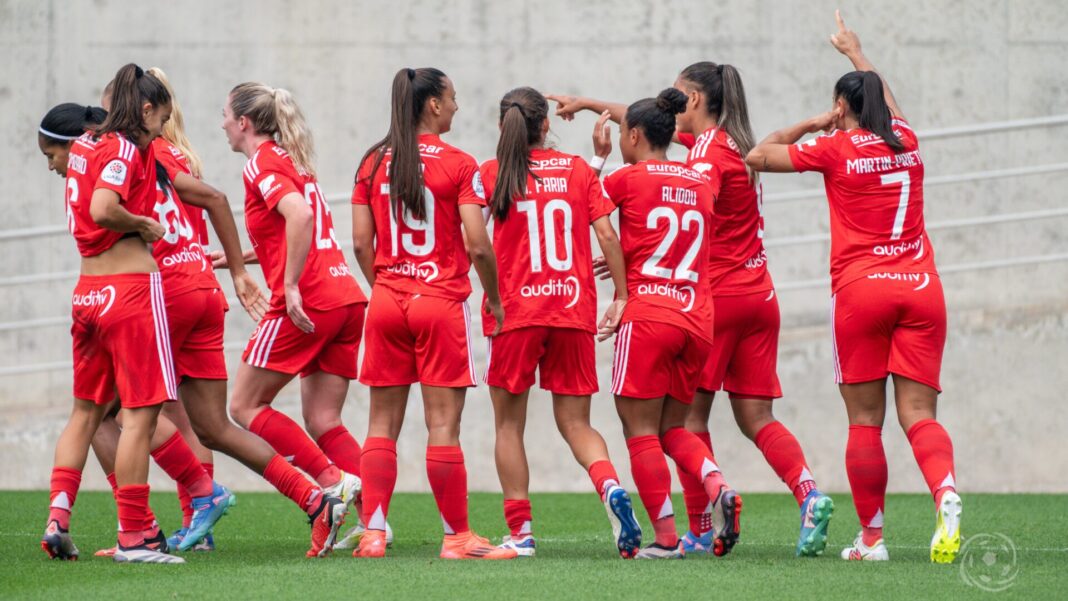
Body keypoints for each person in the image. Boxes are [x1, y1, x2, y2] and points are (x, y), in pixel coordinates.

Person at [745, 11, 961, 563]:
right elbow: (887, 102)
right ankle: (947, 493)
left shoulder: (835, 149)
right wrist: (857, 53)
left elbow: (758, 153)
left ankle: (872, 538)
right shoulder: (907, 140)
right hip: (921, 287)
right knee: (921, 415)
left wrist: (820, 121)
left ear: (843, 107)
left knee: (865, 420)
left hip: (864, 292)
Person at [351, 67, 515, 560]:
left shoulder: (372, 161)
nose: (458, 107)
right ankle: (457, 538)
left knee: (381, 423)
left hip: (387, 299)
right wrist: (493, 297)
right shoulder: (459, 164)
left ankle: (374, 533)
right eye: (453, 98)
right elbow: (479, 245)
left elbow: (361, 242)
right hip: (440, 302)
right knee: (443, 425)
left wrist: (384, 285)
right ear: (433, 105)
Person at [479, 87, 641, 558]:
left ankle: (521, 534)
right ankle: (610, 486)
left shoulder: (492, 173)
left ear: (502, 127)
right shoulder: (575, 170)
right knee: (576, 423)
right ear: (546, 125)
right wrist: (623, 295)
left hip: (514, 312)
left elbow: (474, 239)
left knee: (509, 426)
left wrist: (488, 294)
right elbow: (607, 233)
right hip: (571, 309)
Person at [41, 63, 183, 564]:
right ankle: (135, 537)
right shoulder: (122, 147)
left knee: (85, 413)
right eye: (162, 118)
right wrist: (144, 222)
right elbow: (104, 209)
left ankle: (58, 516)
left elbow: (84, 197)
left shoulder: (83, 148)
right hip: (128, 292)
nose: (163, 129)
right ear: (146, 110)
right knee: (140, 417)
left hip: (87, 294)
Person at [223, 82, 367, 557]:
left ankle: (331, 484)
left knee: (242, 406)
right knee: (324, 418)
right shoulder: (292, 160)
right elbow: (290, 225)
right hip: (346, 297)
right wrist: (240, 257)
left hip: (311, 302)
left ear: (244, 123)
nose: (222, 124)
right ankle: (376, 522)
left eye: (225, 115)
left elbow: (299, 217)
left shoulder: (261, 162)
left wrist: (286, 285)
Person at [597, 88, 739, 559]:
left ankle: (663, 538)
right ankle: (716, 484)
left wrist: (598, 160)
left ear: (634, 134)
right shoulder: (701, 182)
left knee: (638, 430)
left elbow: (590, 212)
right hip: (696, 320)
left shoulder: (626, 177)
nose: (619, 141)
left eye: (620, 134)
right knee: (674, 429)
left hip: (649, 315)